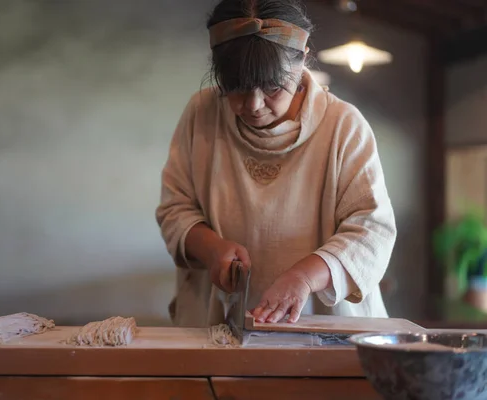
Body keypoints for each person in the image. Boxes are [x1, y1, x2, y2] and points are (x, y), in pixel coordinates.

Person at [155, 0, 397, 328]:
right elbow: (175, 208)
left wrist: (304, 278)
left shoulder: (343, 125)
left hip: (326, 328)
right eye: (236, 88)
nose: (254, 105)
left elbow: (372, 230)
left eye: (272, 87)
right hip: (217, 324)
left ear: (303, 61)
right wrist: (212, 249)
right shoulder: (202, 113)